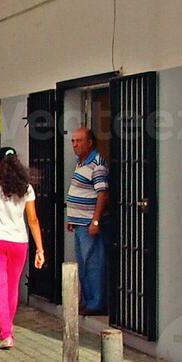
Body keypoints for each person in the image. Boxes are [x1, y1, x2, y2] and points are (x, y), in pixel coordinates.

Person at [0, 149, 45, 350]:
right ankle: (7, 328)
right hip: (19, 242)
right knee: (12, 287)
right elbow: (33, 220)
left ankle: (6, 334)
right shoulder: (26, 188)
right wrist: (40, 249)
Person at [66, 126, 110, 316]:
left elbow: (102, 194)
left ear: (89, 142)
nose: (75, 145)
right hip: (79, 223)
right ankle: (87, 301)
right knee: (83, 264)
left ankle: (95, 303)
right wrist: (71, 217)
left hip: (88, 224)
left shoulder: (97, 164)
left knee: (93, 263)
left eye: (79, 141)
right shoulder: (80, 162)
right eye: (73, 141)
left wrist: (95, 221)